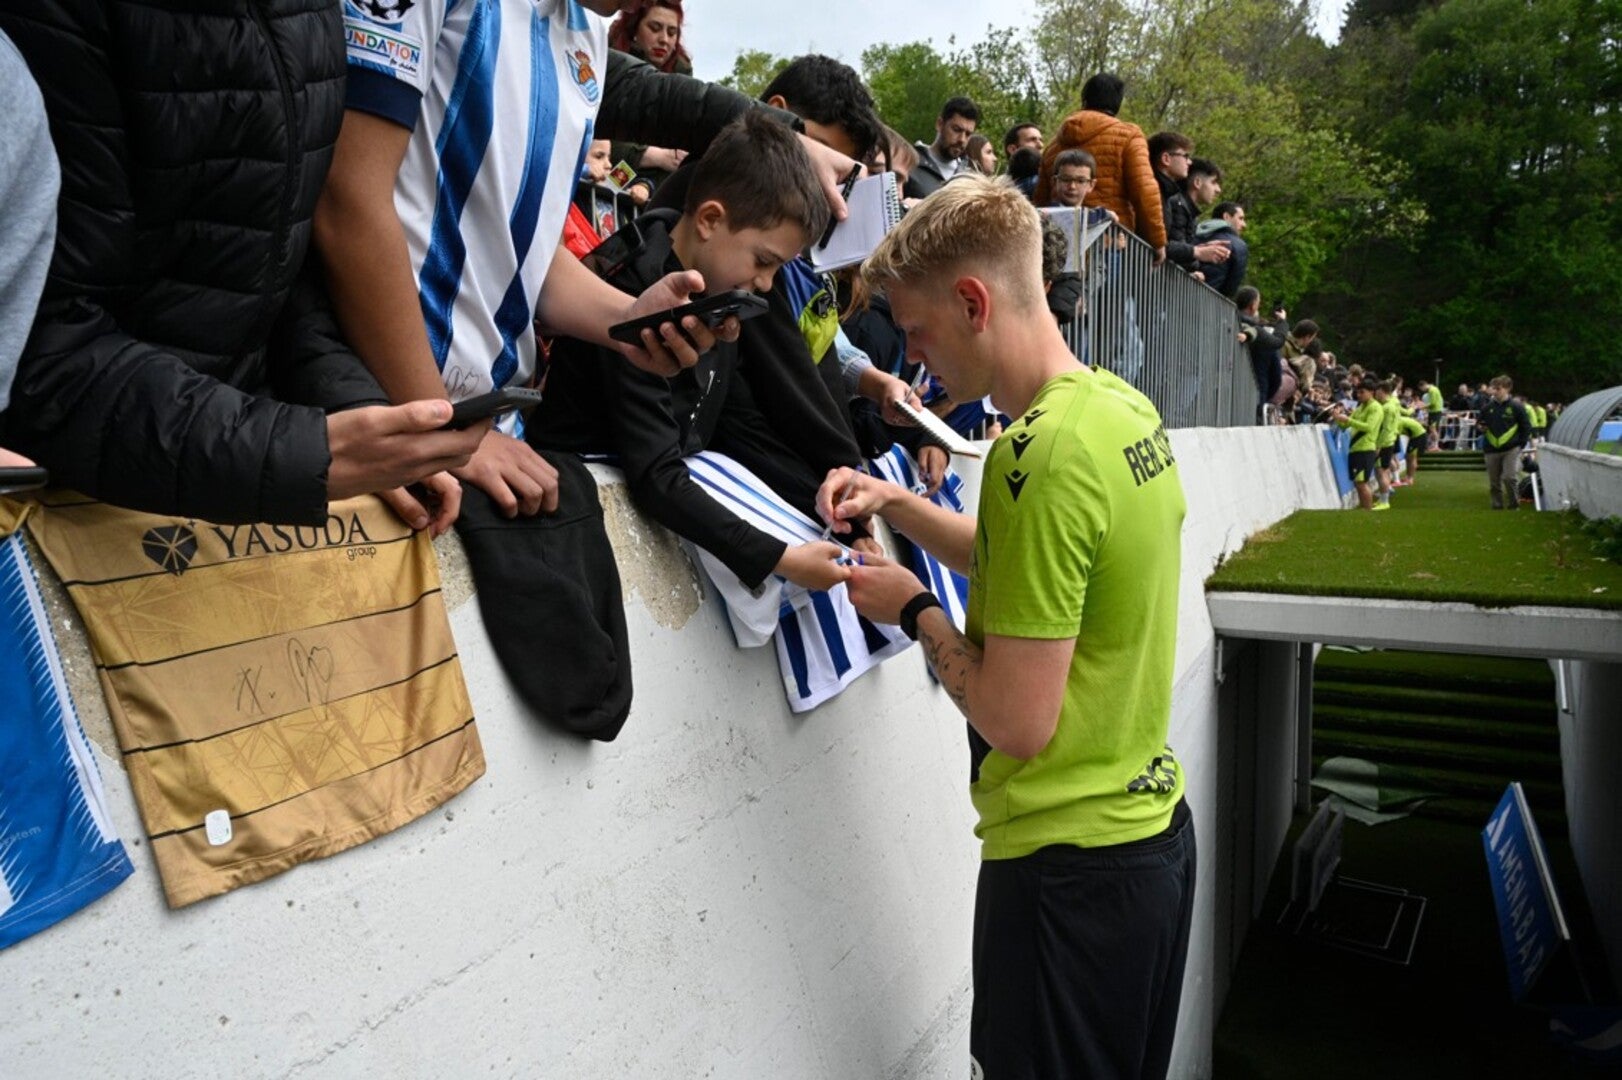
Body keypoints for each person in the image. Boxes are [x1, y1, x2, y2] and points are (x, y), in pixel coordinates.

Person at [819, 175, 1194, 1079]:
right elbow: (1034, 572)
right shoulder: (1113, 407)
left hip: (1066, 878)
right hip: (1148, 846)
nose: (915, 363)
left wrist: (912, 607)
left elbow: (1017, 723)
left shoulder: (1036, 459)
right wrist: (899, 503)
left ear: (973, 302)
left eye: (915, 333)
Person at [0, 0, 487, 531]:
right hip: (78, 501)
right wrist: (302, 452)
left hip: (237, 463)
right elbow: (36, 340)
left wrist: (362, 418)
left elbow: (275, 262)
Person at [320, 0, 735, 522]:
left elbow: (524, 246)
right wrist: (440, 427)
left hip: (487, 436)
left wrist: (628, 321)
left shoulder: (587, 31)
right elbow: (345, 200)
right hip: (385, 422)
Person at [532, 113, 856, 591]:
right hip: (569, 518)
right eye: (764, 261)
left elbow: (736, 421)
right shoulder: (635, 286)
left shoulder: (721, 289)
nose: (766, 284)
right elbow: (656, 474)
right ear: (709, 220)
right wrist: (780, 558)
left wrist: (831, 512)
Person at [1036, 74, 1165, 263]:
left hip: (1062, 247)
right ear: (1118, 104)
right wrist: (1157, 241)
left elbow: (1041, 200)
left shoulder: (1053, 146)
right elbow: (1144, 189)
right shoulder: (1129, 136)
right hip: (1112, 243)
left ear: (1084, 100)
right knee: (1113, 293)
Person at [607, 0, 693, 201]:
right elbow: (596, 138)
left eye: (672, 33)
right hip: (604, 173)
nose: (664, 40)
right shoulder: (606, 58)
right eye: (655, 28)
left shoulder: (682, 74)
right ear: (635, 28)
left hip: (653, 184)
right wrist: (653, 156)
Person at [1148, 131, 1230, 275]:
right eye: (1185, 156)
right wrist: (1197, 251)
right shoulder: (1162, 194)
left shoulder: (1167, 194)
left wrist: (1200, 249)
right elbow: (1159, 243)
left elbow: (1166, 243)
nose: (1189, 162)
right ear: (1166, 159)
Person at [906, 96, 980, 199]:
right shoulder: (909, 165)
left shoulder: (969, 178)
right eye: (956, 130)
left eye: (968, 134)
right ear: (940, 124)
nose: (962, 139)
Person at [1479, 375, 1532, 509]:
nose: (1495, 391)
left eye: (1498, 388)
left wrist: (1521, 444)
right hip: (1491, 448)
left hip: (1511, 448)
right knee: (1494, 482)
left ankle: (1514, 505)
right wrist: (1480, 427)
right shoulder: (1486, 408)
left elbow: (1526, 426)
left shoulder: (1517, 407)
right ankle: (1497, 506)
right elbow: (1479, 424)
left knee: (1509, 477)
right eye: (1493, 388)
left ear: (1508, 388)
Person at [1335, 380, 1381, 510]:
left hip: (1366, 449)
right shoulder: (1360, 407)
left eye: (1362, 392)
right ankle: (1365, 509)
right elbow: (1345, 427)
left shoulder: (1375, 408)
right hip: (1355, 449)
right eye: (1357, 392)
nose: (1359, 395)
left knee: (1361, 482)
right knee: (1357, 482)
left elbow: (1369, 427)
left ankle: (1368, 510)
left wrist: (1348, 419)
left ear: (1371, 392)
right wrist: (1337, 418)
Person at [1196, 201, 1249, 297]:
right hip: (1210, 303)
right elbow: (1231, 288)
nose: (1244, 224)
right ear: (1226, 217)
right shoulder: (1238, 245)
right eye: (1240, 218)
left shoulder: (1194, 234)